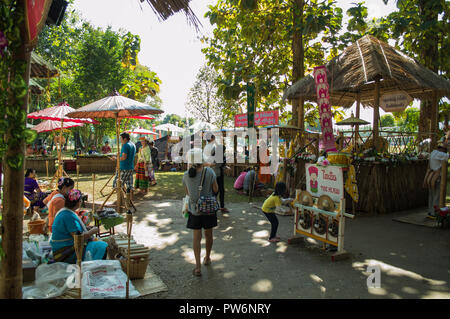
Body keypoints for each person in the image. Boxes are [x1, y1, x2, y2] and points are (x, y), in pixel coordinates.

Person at [183, 148, 219, 277]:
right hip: (208, 210)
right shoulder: (209, 172)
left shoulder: (186, 175)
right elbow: (216, 189)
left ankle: (197, 267)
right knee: (208, 234)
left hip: (194, 210)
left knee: (196, 237)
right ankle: (207, 258)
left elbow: (187, 193)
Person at [50, 189, 107, 263]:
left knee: (99, 244)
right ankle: (94, 267)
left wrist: (86, 228)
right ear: (79, 202)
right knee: (102, 246)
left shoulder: (64, 212)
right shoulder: (68, 216)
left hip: (62, 246)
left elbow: (72, 231)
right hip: (66, 251)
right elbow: (78, 238)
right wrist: (92, 232)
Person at [204, 134, 229, 213]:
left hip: (214, 173)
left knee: (216, 190)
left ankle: (217, 206)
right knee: (217, 190)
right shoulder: (213, 149)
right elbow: (217, 164)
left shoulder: (212, 149)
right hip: (217, 174)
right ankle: (216, 206)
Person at [425, 143, 449, 217]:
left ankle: (430, 211)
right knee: (437, 196)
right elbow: (448, 156)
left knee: (432, 195)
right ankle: (434, 213)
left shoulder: (433, 152)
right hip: (437, 177)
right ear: (442, 149)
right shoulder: (439, 154)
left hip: (431, 176)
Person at [113, 132, 136, 201]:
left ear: (125, 139)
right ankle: (130, 200)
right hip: (130, 167)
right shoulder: (133, 144)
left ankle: (120, 201)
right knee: (129, 185)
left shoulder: (125, 145)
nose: (120, 140)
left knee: (117, 184)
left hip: (123, 168)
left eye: (121, 139)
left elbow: (124, 157)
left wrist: (116, 158)